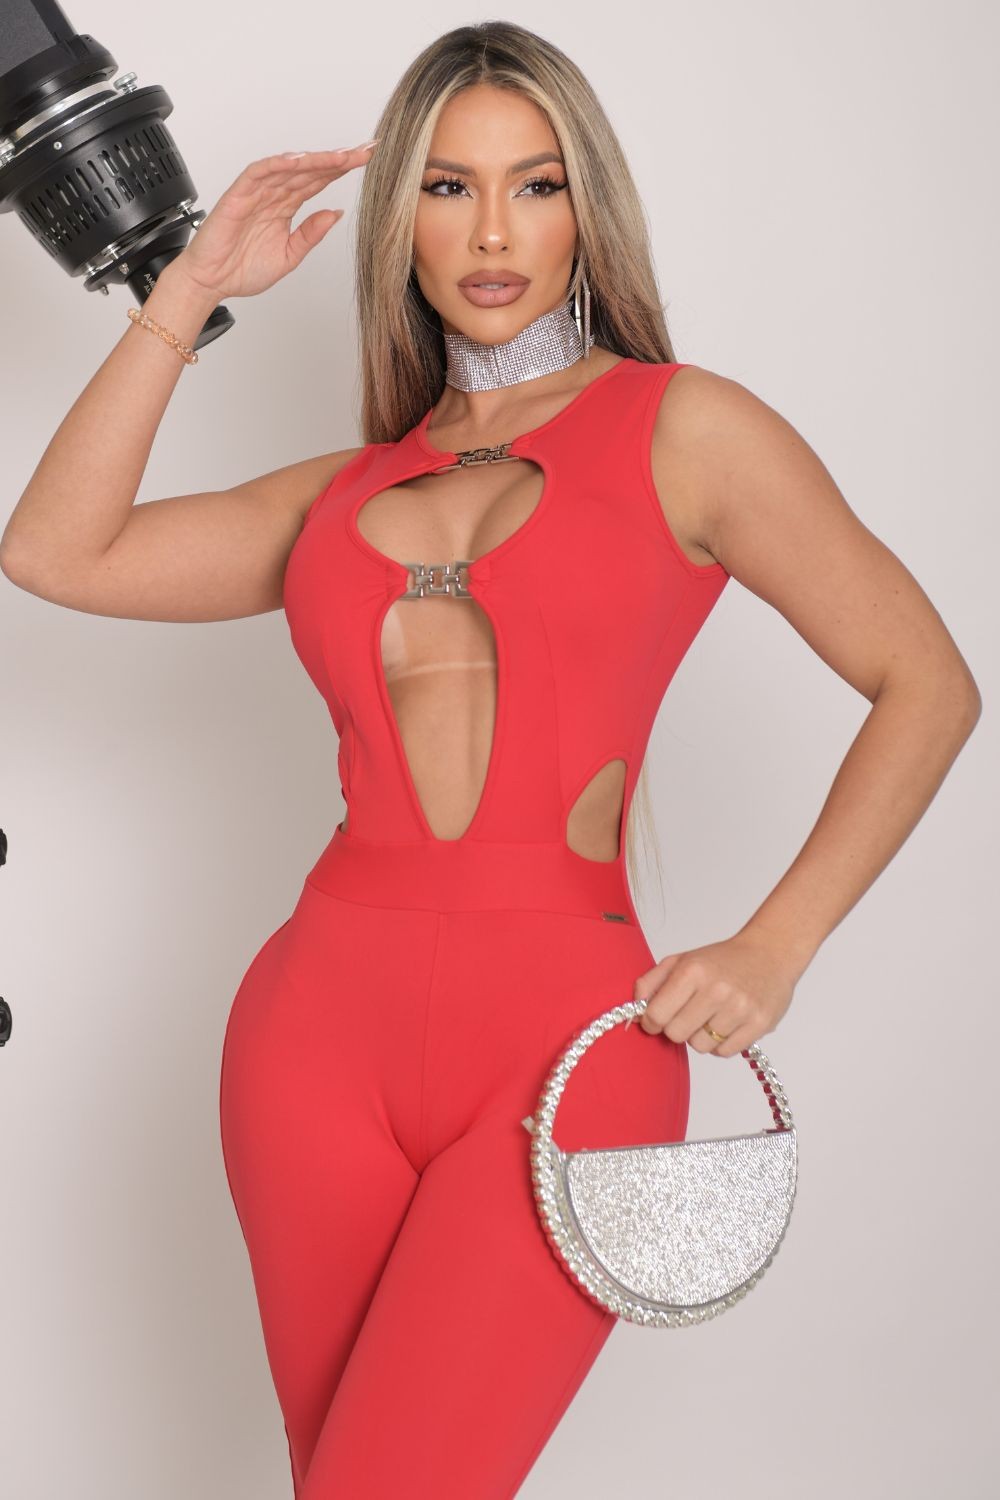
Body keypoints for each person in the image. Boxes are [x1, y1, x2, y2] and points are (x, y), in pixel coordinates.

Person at [0, 20, 981, 1500]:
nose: (493, 232)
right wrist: (184, 292)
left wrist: (778, 944)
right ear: (399, 217)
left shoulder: (688, 430)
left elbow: (929, 683)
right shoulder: (343, 491)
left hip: (568, 1050)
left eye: (536, 183)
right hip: (311, 1043)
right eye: (448, 188)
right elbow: (55, 552)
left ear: (591, 206)